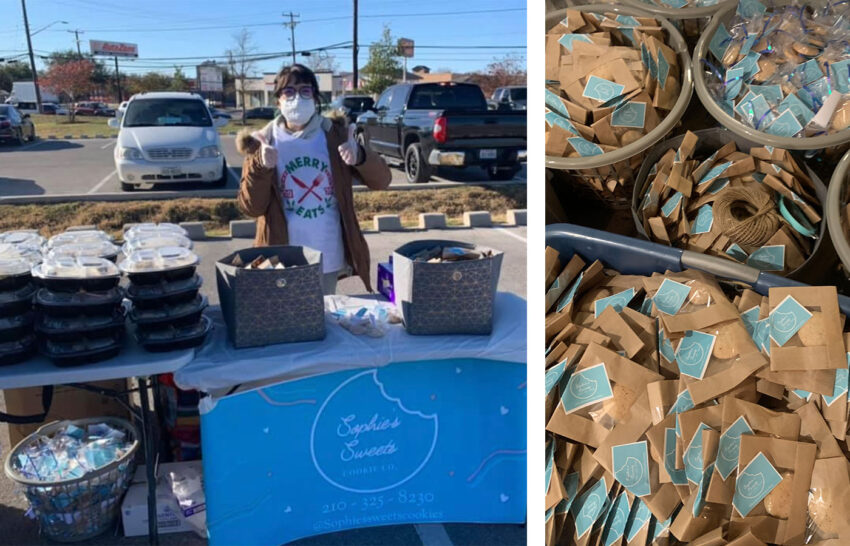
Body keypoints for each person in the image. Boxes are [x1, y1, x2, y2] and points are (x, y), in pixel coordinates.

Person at [236, 64, 391, 294]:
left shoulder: (335, 136)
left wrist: (360, 156)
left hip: (327, 253)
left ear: (316, 97)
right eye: (288, 91)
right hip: (281, 256)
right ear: (278, 100)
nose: (296, 97)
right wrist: (260, 166)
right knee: (284, 320)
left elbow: (382, 181)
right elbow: (251, 207)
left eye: (305, 90)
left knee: (322, 320)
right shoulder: (263, 142)